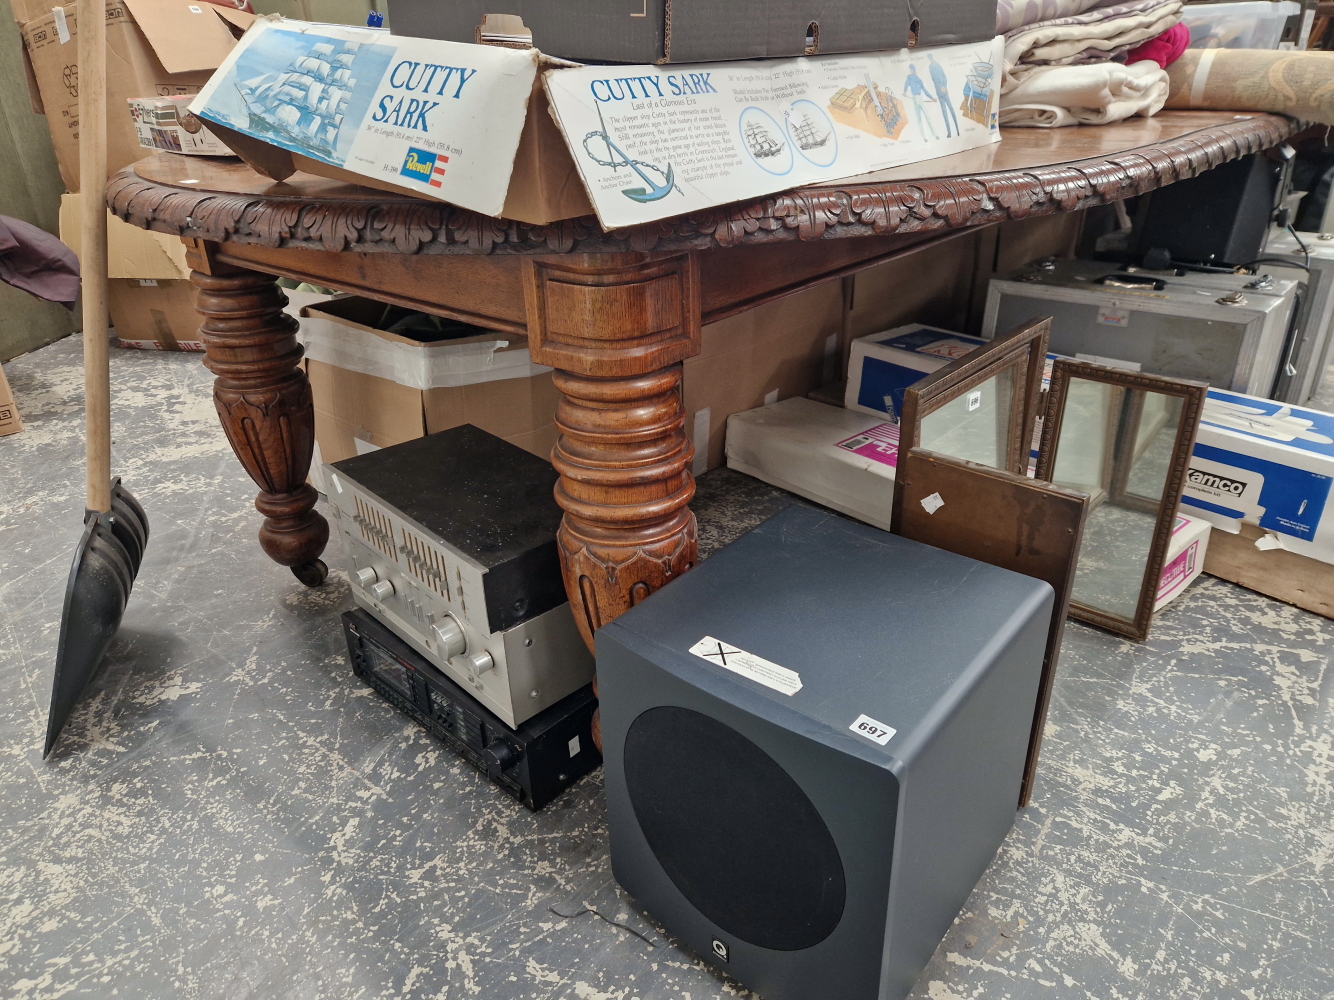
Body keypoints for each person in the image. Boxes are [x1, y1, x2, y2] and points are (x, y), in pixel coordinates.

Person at [928, 53, 959, 138]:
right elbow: (943, 77)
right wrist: (944, 86)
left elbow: (935, 79)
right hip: (942, 90)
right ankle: (953, 131)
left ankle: (953, 131)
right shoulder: (937, 64)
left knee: (947, 111)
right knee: (949, 109)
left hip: (941, 91)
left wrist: (942, 86)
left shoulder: (932, 66)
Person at [903, 64, 938, 141]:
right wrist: (932, 98)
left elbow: (906, 85)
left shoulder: (910, 77)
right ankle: (934, 135)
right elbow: (925, 91)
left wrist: (904, 92)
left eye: (910, 69)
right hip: (919, 98)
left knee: (919, 119)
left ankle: (925, 137)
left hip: (916, 99)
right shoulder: (918, 79)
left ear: (911, 70)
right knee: (927, 117)